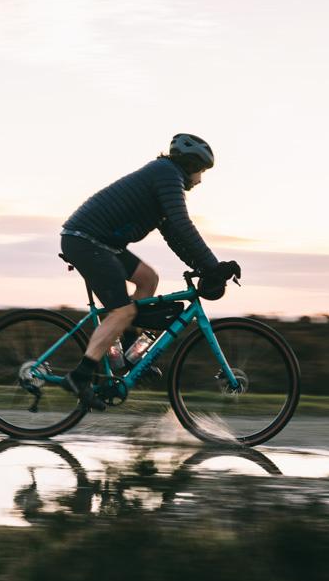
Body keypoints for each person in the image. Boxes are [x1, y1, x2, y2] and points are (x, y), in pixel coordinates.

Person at [58, 133, 241, 412]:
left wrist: (204, 267)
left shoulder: (166, 178)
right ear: (191, 164)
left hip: (102, 243)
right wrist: (213, 266)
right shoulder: (167, 174)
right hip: (86, 240)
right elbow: (182, 224)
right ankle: (79, 377)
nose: (200, 179)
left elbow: (174, 235)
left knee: (148, 279)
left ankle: (130, 354)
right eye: (201, 171)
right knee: (122, 311)